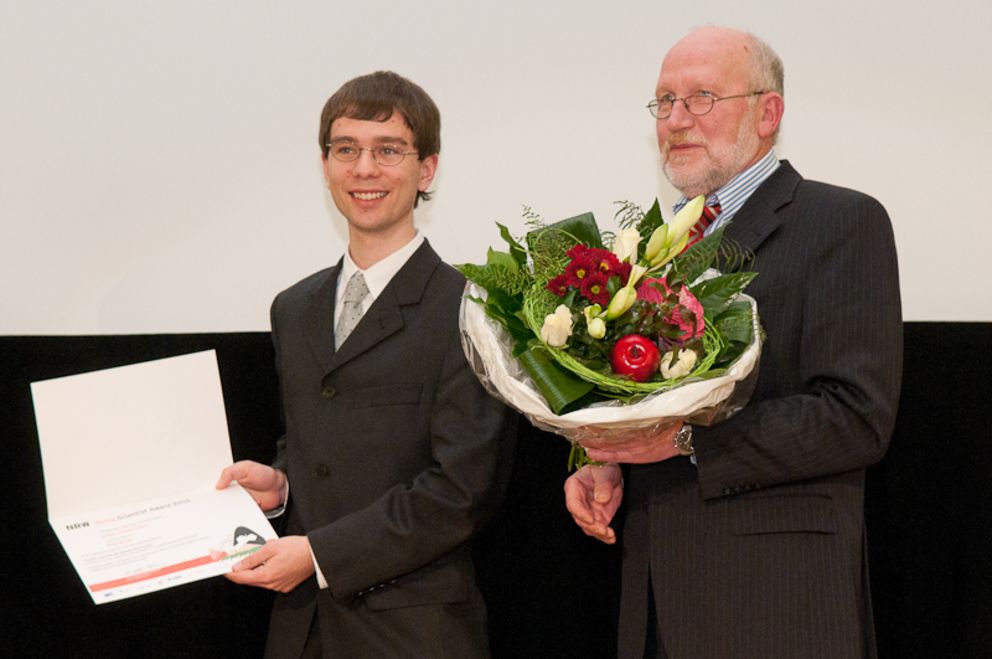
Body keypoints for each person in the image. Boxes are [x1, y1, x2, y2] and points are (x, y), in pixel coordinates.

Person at [564, 27, 902, 658]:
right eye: (664, 101)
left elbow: (856, 417)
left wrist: (684, 440)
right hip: (658, 603)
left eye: (701, 97)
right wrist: (606, 458)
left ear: (767, 112)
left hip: (777, 605)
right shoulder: (656, 251)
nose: (677, 119)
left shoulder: (841, 222)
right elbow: (653, 405)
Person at [216, 71, 516, 659]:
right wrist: (279, 486)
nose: (364, 169)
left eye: (388, 151)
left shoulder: (470, 309)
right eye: (346, 149)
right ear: (325, 164)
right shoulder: (293, 308)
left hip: (416, 634)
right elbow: (314, 444)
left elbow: (462, 491)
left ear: (426, 169)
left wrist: (319, 555)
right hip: (301, 631)